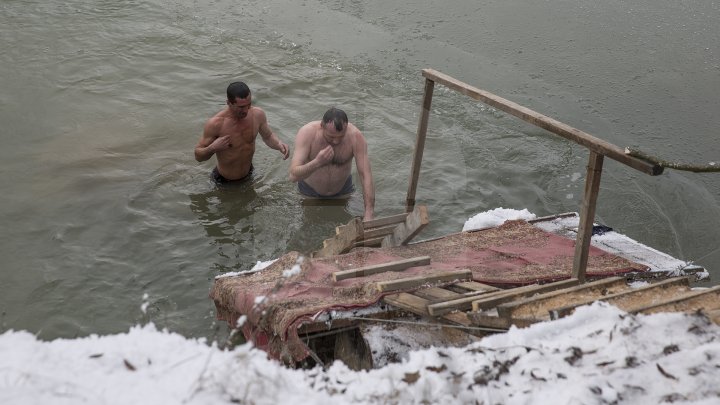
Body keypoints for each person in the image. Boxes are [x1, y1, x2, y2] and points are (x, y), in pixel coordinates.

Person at [289, 107, 375, 221]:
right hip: (309, 193)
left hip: (343, 191)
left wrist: (369, 212)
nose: (336, 141)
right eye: (331, 137)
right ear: (322, 126)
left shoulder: (355, 137)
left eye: (341, 136)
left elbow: (365, 175)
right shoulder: (307, 133)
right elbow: (293, 176)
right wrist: (317, 162)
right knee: (310, 225)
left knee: (343, 222)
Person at [195, 82, 289, 184]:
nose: (246, 111)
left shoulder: (257, 115)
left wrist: (279, 144)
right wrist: (212, 148)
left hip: (249, 174)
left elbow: (268, 136)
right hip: (224, 181)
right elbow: (198, 156)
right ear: (229, 103)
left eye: (249, 105)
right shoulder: (216, 124)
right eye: (241, 107)